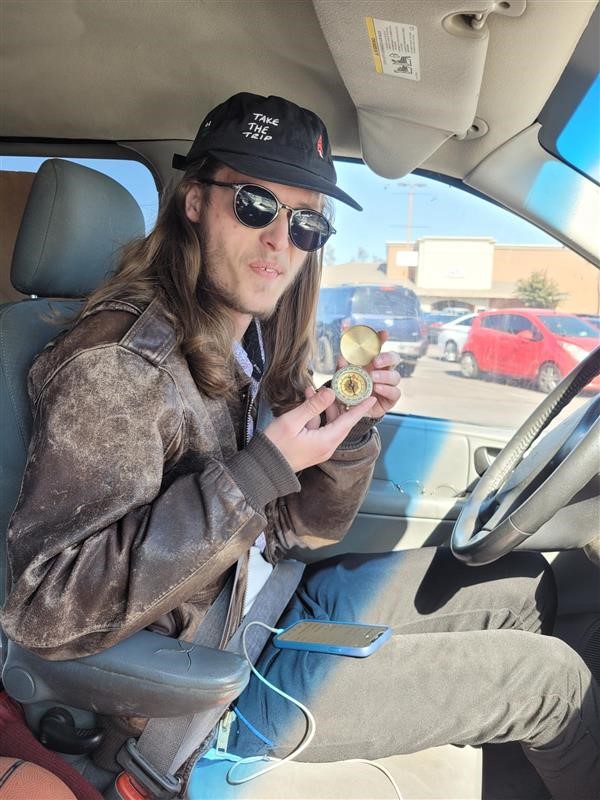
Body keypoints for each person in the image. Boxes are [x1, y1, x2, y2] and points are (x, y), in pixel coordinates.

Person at [2, 93, 599, 800]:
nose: (280, 240)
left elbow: (301, 529)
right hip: (202, 680)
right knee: (553, 684)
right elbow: (48, 608)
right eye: (255, 203)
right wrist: (257, 472)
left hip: (267, 600)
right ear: (194, 201)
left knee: (528, 584)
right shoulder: (119, 366)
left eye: (306, 222)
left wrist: (347, 435)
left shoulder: (243, 345)